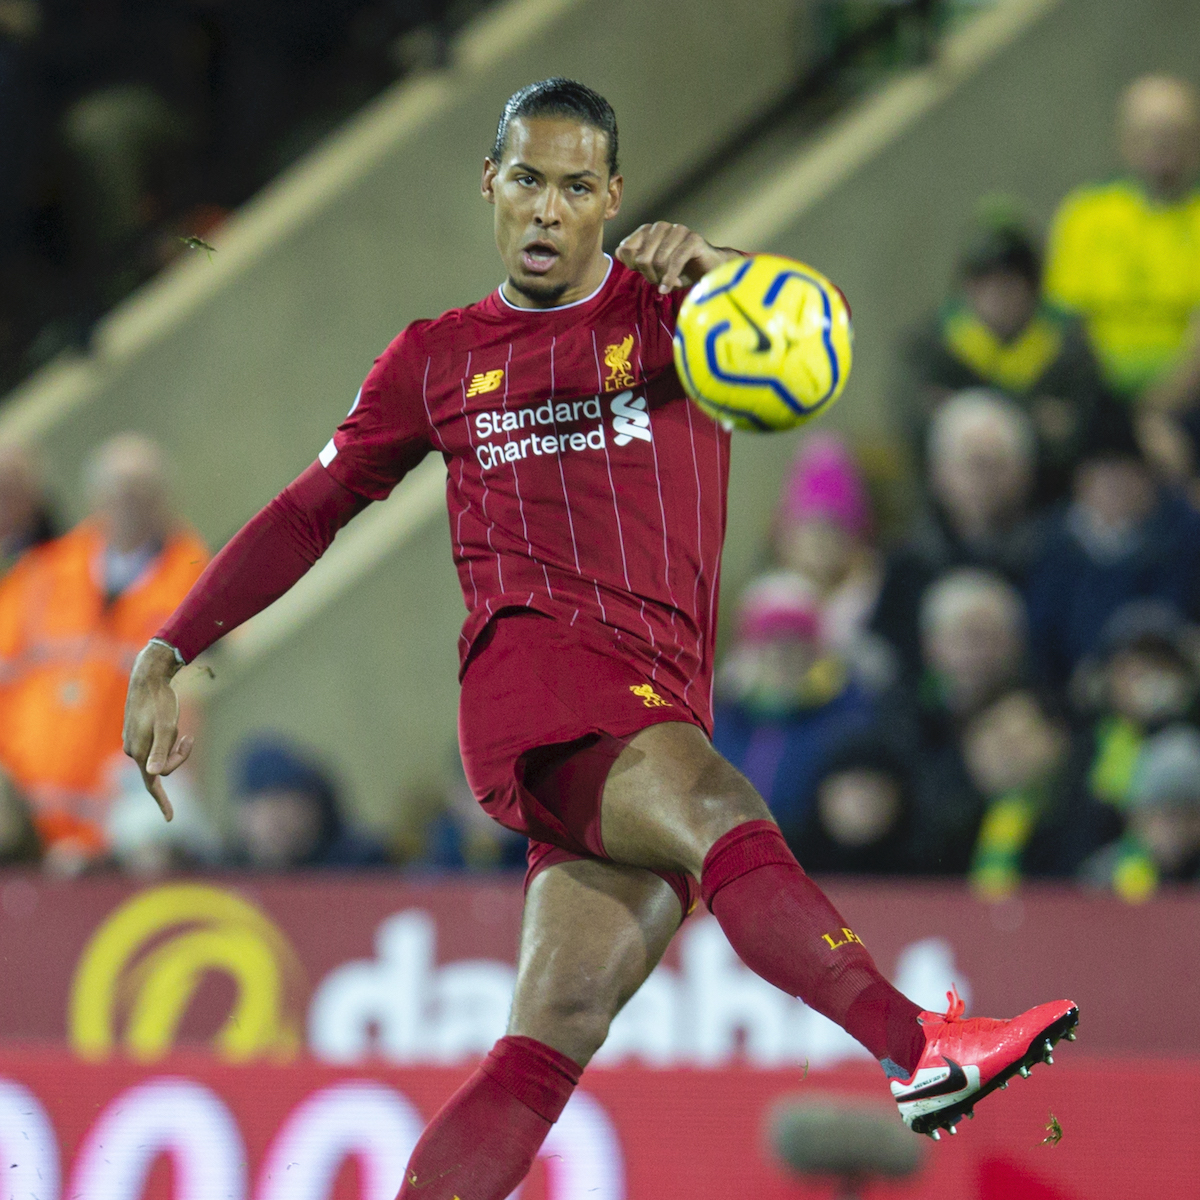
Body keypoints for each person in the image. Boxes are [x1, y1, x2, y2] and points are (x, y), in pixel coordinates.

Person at [123, 79, 1077, 1178]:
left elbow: (824, 334)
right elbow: (308, 511)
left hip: (657, 698)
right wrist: (167, 648)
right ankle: (919, 1048)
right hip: (537, 680)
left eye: (576, 187)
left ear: (612, 197)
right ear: (490, 182)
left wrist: (724, 263)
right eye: (526, 180)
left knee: (551, 1036)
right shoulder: (436, 359)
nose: (545, 209)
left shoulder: (679, 314)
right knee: (721, 806)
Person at [0, 433, 207, 868]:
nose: (127, 503)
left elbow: (186, 710)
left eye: (140, 491)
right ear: (94, 496)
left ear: (165, 499)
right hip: (22, 827)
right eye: (116, 490)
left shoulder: (193, 585)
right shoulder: (43, 575)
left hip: (118, 839)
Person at [903, 214, 1103, 503]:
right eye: (984, 283)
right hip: (954, 507)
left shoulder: (1067, 349)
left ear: (1033, 288)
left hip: (1047, 498)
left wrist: (962, 410)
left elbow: (1078, 434)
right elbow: (916, 425)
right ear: (967, 290)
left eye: (1009, 282)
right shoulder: (933, 347)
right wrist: (1032, 418)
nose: (997, 295)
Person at [1044, 75, 1200, 412]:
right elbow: (1067, 325)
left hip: (1188, 400)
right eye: (1149, 136)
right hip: (1098, 398)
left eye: (1174, 136)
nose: (1161, 149)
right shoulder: (1085, 214)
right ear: (1125, 141)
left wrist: (1158, 408)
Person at [1025, 401, 1200, 689]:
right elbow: (1042, 636)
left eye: (1125, 474)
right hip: (1082, 692)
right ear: (1080, 483)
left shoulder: (1187, 534)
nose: (1114, 488)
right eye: (1102, 476)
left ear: (1149, 478)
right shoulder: (1054, 546)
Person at [872, 391, 1044, 677]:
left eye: (995, 464)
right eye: (970, 464)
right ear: (937, 472)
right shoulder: (907, 564)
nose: (982, 480)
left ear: (1025, 473)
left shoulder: (1051, 556)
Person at [712, 571, 877, 836]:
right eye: (769, 640)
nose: (781, 652)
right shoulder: (725, 713)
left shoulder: (847, 713)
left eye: (795, 641)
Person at [772, 432, 893, 688]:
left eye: (833, 531)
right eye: (811, 531)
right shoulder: (768, 600)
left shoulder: (879, 593)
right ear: (788, 539)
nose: (821, 545)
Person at [230, 734, 391, 870]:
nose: (273, 822)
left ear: (314, 809)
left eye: (283, 807)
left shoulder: (359, 865)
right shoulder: (231, 869)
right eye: (258, 810)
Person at [1079, 723, 1200, 900]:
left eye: (1188, 816)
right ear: (1136, 817)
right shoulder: (1105, 874)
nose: (1174, 829)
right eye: (1161, 815)